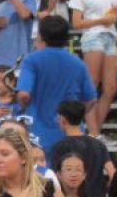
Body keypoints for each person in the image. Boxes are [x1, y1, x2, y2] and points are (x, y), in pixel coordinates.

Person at [16, 16, 96, 152]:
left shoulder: (31, 60)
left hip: (38, 132)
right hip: (70, 132)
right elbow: (91, 99)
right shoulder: (77, 62)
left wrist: (24, 108)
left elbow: (23, 94)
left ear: (41, 35)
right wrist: (75, 117)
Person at [69, 0, 117, 143]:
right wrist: (101, 20)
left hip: (110, 36)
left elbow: (116, 8)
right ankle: (94, 133)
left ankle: (94, 133)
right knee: (92, 83)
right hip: (92, 37)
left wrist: (114, 15)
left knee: (111, 87)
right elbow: (76, 22)